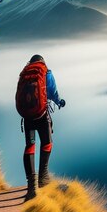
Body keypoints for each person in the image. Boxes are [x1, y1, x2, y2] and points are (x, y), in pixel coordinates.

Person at [15, 54, 65, 200]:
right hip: (42, 115)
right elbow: (52, 92)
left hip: (28, 117)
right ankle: (43, 177)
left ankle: (31, 186)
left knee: (30, 146)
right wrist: (59, 101)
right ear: (42, 62)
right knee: (47, 143)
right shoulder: (46, 72)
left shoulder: (24, 74)